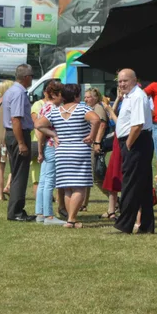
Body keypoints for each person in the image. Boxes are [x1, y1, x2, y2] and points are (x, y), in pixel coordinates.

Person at [36, 84, 101, 228]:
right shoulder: (82, 108)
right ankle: (71, 219)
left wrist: (54, 134)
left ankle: (70, 219)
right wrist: (92, 136)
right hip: (79, 150)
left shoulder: (56, 111)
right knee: (80, 187)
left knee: (67, 187)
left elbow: (39, 124)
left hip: (62, 151)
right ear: (76, 96)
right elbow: (96, 120)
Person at [114, 69, 154, 234]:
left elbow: (137, 125)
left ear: (135, 80)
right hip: (136, 141)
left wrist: (129, 144)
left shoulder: (137, 96)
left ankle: (125, 223)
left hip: (136, 142)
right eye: (120, 81)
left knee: (130, 183)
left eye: (125, 81)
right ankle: (146, 224)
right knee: (143, 185)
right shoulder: (130, 96)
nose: (122, 84)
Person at [3, 65, 35, 222]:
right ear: (26, 77)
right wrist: (21, 143)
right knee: (20, 175)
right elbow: (16, 119)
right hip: (18, 135)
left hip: (12, 135)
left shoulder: (11, 91)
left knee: (17, 173)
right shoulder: (19, 93)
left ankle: (15, 210)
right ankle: (16, 212)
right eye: (32, 75)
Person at [35, 81, 65, 225]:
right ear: (54, 94)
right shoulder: (52, 109)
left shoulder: (45, 106)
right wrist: (53, 135)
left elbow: (39, 131)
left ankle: (40, 213)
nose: (63, 97)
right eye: (61, 94)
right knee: (49, 182)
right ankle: (49, 216)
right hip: (52, 146)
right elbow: (40, 127)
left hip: (46, 146)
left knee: (43, 180)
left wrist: (40, 150)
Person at [82, 87, 109, 213]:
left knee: (97, 177)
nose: (86, 99)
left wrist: (97, 142)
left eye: (88, 97)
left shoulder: (98, 108)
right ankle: (83, 203)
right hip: (91, 145)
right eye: (85, 96)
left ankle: (115, 200)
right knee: (89, 176)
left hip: (95, 146)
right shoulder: (91, 108)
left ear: (96, 97)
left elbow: (102, 125)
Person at [102, 85, 126, 220]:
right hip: (118, 141)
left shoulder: (134, 100)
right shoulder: (124, 101)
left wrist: (110, 109)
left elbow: (120, 124)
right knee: (113, 175)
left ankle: (123, 208)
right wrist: (117, 99)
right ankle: (111, 210)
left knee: (121, 175)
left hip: (125, 141)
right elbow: (112, 118)